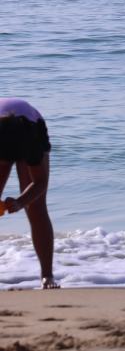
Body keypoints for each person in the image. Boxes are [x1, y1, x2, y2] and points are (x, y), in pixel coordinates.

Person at [0, 98, 59, 289]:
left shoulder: (31, 139)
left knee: (36, 206)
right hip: (5, 134)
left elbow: (40, 182)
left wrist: (20, 201)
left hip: (29, 125)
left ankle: (47, 276)